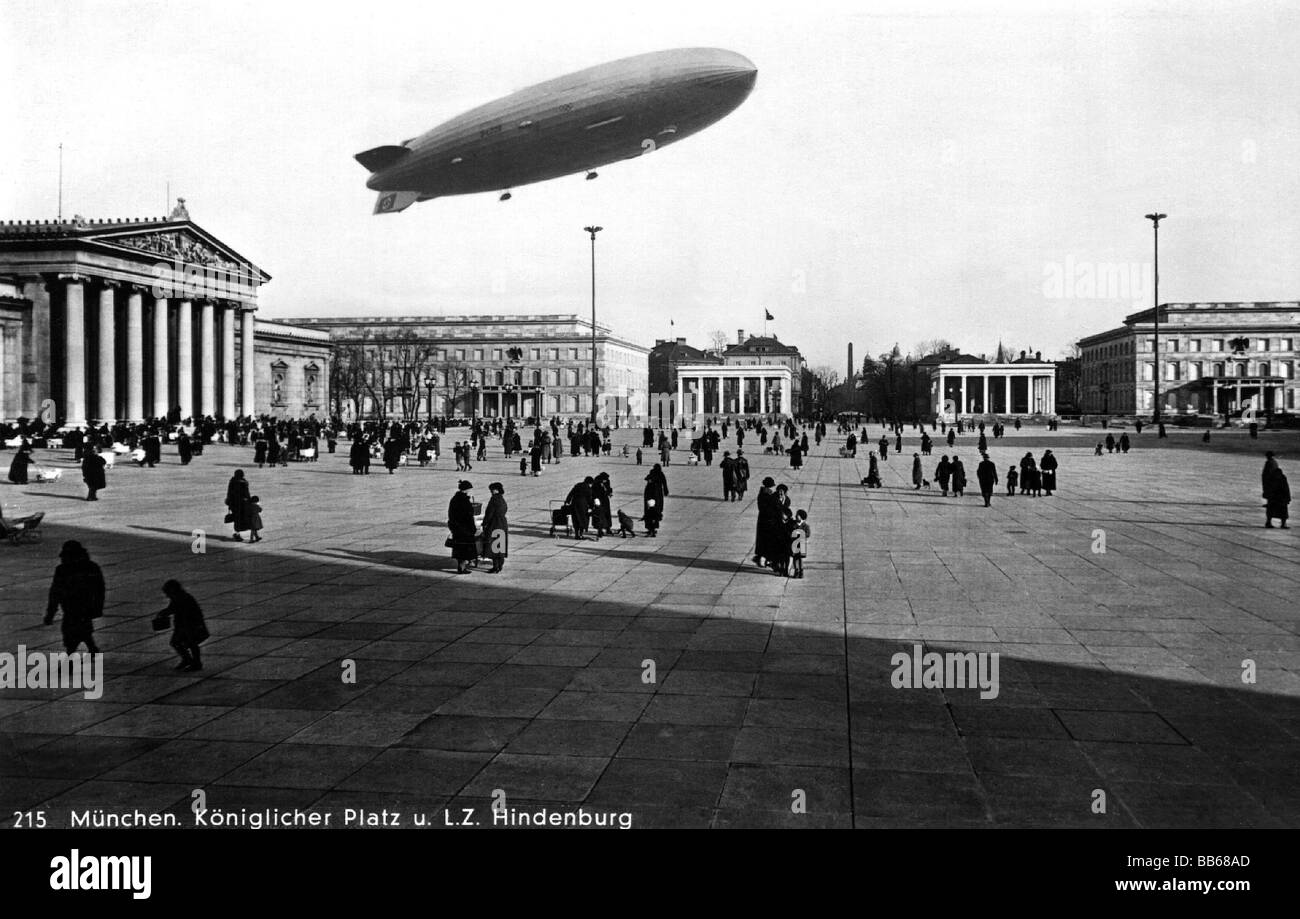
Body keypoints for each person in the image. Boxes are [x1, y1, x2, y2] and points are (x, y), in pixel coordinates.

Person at [43, 540, 103, 654]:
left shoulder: (62, 570)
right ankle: (91, 648)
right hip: (83, 607)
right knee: (83, 630)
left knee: (71, 634)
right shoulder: (91, 567)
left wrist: (50, 613)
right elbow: (100, 590)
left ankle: (72, 657)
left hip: (72, 608)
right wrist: (97, 608)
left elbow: (55, 593)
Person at [156, 580, 209, 671]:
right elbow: (172, 608)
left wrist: (164, 613)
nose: (167, 595)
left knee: (188, 643)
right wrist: (164, 613)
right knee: (180, 643)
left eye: (167, 592)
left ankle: (194, 662)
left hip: (189, 625)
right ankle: (189, 660)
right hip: (184, 625)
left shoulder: (182, 598)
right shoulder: (179, 597)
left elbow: (175, 609)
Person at [448, 480, 478, 573]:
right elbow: (469, 516)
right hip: (465, 529)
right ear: (466, 489)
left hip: (456, 527)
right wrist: (473, 528)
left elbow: (451, 514)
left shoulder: (454, 499)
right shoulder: (464, 500)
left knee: (459, 548)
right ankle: (462, 567)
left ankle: (461, 566)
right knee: (465, 548)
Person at [482, 482, 509, 572]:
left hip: (494, 524)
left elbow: (489, 513)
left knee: (494, 545)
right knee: (501, 545)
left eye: (492, 489)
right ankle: (500, 565)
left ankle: (495, 566)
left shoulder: (494, 499)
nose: (491, 491)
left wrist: (484, 523)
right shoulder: (501, 498)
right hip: (502, 523)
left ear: (497, 490)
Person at [1263, 453, 1290, 529]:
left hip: (1274, 497)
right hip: (1281, 498)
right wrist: (1288, 498)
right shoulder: (1282, 477)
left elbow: (1265, 476)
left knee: (1271, 510)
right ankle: (1283, 524)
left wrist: (1266, 493)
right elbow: (1286, 489)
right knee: (1282, 512)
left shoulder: (1272, 476)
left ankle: (1269, 523)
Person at [226, 470, 251, 541]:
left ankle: (237, 533)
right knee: (240, 519)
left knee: (237, 519)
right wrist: (249, 500)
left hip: (234, 504)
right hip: (242, 504)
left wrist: (229, 502)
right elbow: (246, 493)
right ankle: (237, 534)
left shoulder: (232, 481)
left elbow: (229, 493)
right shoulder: (243, 482)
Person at [643, 464, 668, 537]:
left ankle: (651, 529)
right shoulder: (661, 474)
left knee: (650, 513)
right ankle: (653, 528)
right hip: (657, 497)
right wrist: (666, 491)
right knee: (655, 512)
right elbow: (664, 483)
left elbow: (647, 479)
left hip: (651, 497)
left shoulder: (652, 478)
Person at [790, 509, 810, 579]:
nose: (796, 516)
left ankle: (801, 571)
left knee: (801, 558)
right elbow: (791, 532)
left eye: (797, 515)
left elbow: (808, 534)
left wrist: (801, 534)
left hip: (802, 544)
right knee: (795, 558)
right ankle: (796, 571)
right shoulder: (793, 524)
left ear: (801, 517)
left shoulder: (805, 526)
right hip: (794, 544)